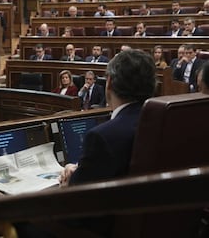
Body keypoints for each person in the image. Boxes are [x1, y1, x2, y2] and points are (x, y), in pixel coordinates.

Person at [56, 50, 156, 236]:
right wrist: (83, 170)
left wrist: (68, 186)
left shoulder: (102, 136)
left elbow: (74, 213)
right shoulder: (160, 122)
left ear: (109, 82)